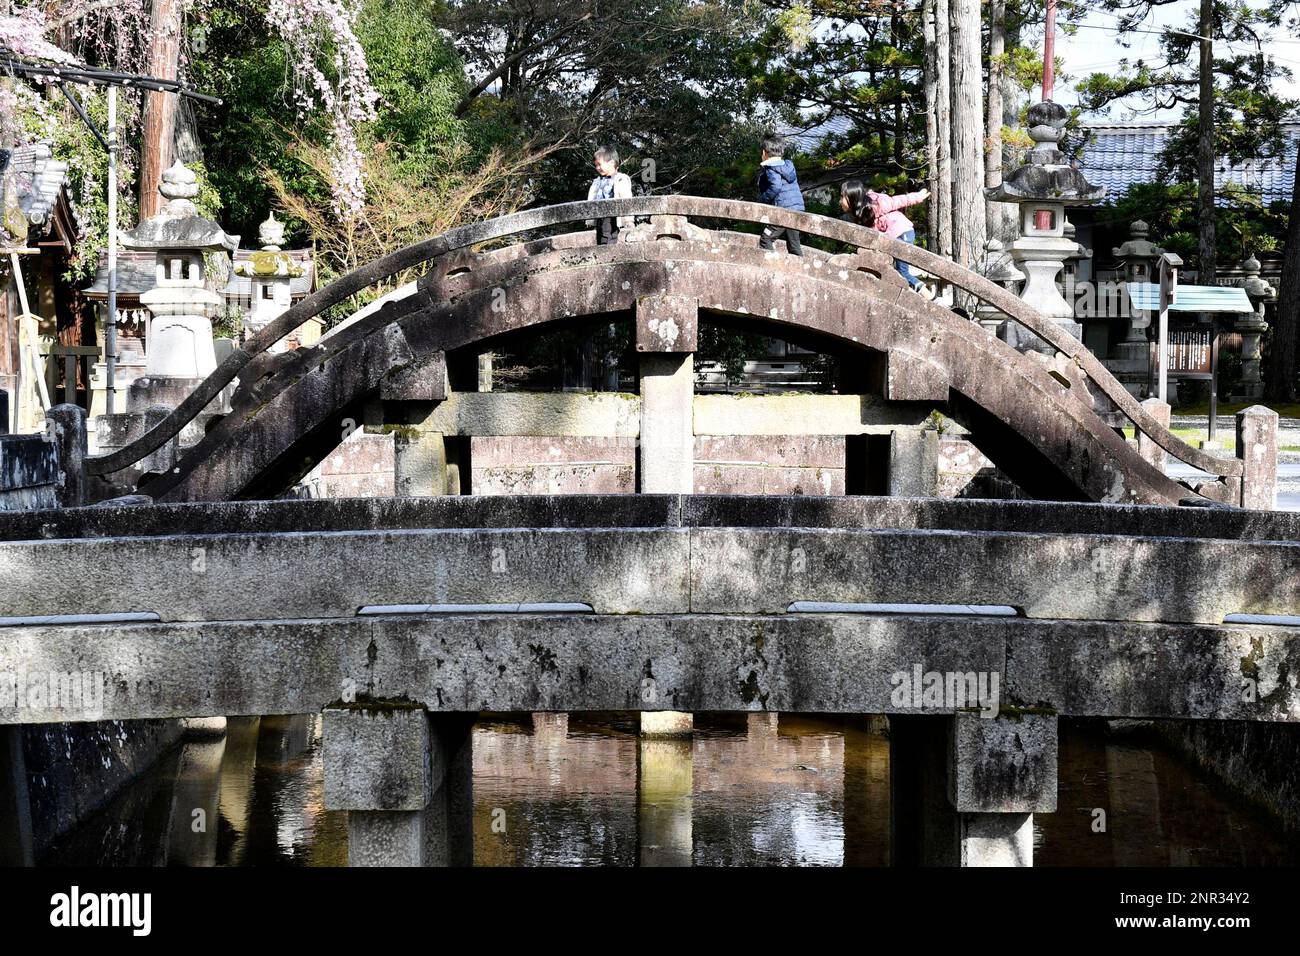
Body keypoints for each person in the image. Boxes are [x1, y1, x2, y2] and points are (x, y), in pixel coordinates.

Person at [840, 179, 932, 297]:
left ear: (852, 197)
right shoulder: (859, 214)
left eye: (843, 197)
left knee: (902, 272)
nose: (840, 201)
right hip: (892, 238)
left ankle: (929, 297)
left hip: (902, 233)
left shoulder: (877, 202)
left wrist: (918, 196)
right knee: (890, 271)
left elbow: (898, 201)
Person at [756, 133, 804, 256]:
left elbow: (776, 186)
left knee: (765, 239)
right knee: (794, 245)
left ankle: (772, 267)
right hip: (797, 209)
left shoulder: (771, 168)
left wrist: (763, 199)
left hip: (784, 211)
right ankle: (798, 271)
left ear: (764, 153)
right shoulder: (788, 166)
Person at [587, 145, 633, 244]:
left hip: (612, 215)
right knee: (599, 238)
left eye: (599, 164)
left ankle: (608, 256)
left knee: (608, 238)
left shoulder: (621, 179)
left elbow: (627, 199)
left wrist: (629, 220)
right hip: (599, 215)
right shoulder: (597, 181)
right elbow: (591, 199)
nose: (597, 168)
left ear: (612, 163)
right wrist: (590, 219)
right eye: (596, 165)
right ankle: (602, 257)